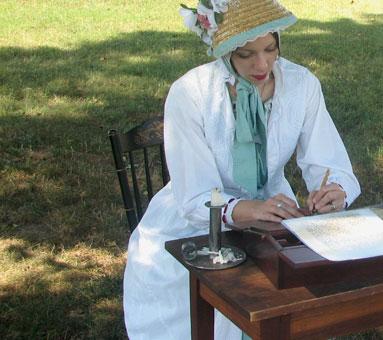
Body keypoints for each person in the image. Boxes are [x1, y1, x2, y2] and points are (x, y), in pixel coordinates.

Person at [122, 0, 361, 339]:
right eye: (246, 54)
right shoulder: (191, 93)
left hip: (276, 217)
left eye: (270, 48)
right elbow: (192, 197)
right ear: (224, 49)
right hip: (195, 227)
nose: (262, 64)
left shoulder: (301, 85)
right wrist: (248, 210)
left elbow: (331, 163)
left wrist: (335, 190)